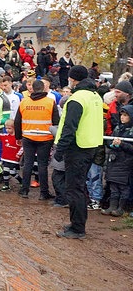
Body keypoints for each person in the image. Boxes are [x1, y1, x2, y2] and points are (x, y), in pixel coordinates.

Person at [54, 65, 103, 239]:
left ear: (73, 79)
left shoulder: (77, 98)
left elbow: (69, 127)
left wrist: (60, 149)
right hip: (90, 146)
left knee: (74, 189)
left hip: (77, 148)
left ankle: (77, 228)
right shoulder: (95, 95)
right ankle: (77, 223)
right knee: (80, 187)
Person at [14, 79, 59, 199]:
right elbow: (56, 122)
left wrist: (18, 137)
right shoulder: (50, 102)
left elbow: (17, 121)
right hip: (45, 137)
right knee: (42, 165)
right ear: (43, 88)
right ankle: (43, 193)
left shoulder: (24, 102)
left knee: (28, 163)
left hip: (28, 136)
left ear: (32, 88)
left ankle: (24, 190)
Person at [101, 105, 133, 217]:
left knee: (123, 187)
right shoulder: (117, 128)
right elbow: (110, 143)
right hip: (114, 161)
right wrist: (112, 144)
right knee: (113, 186)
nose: (122, 118)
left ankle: (121, 208)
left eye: (125, 115)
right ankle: (112, 206)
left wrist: (122, 144)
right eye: (121, 115)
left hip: (126, 163)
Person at [0, 119, 22, 191]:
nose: (7, 130)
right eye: (6, 128)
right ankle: (6, 185)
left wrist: (18, 155)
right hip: (5, 158)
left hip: (14, 160)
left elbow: (22, 148)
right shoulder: (5, 136)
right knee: (5, 171)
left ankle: (21, 181)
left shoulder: (18, 138)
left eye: (9, 128)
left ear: (14, 128)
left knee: (12, 172)